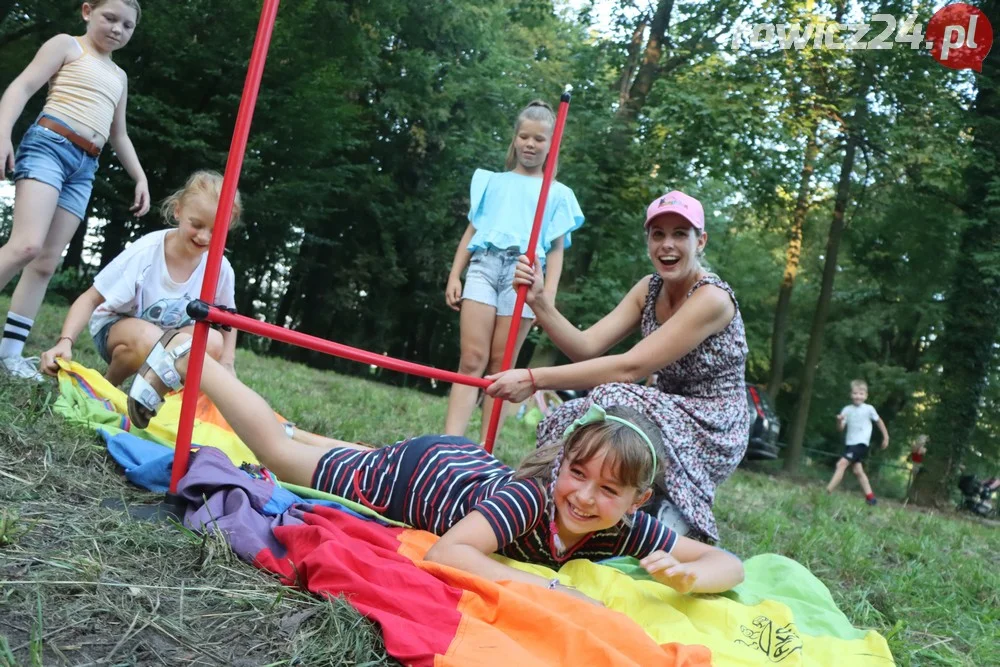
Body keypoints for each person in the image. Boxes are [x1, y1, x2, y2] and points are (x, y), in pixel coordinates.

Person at [121, 331, 745, 602]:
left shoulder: (625, 527)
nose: (583, 497)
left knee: (314, 446)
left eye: (608, 490)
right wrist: (545, 585)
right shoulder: (534, 500)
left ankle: (292, 423)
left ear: (636, 503)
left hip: (465, 465)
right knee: (281, 457)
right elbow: (449, 554)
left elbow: (729, 564)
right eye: (577, 475)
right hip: (419, 479)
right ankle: (200, 362)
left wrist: (688, 577)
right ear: (561, 467)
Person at [486, 191, 750, 544]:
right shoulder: (649, 288)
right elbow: (586, 347)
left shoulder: (712, 299)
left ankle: (671, 519)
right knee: (567, 417)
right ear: (648, 241)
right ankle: (539, 501)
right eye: (658, 234)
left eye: (679, 234)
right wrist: (538, 301)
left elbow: (631, 368)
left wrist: (534, 379)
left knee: (611, 396)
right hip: (664, 410)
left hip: (715, 424)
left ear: (700, 241)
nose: (667, 245)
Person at [0, 0, 150, 381]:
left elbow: (118, 133)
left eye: (127, 26)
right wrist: (3, 133)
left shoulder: (119, 76)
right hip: (50, 144)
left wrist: (140, 177)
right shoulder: (68, 45)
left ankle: (10, 354)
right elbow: (23, 86)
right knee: (26, 245)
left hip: (85, 166)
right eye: (110, 18)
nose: (118, 29)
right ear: (87, 12)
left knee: (46, 261)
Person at [39, 170, 239, 428]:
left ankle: (153, 401)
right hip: (119, 331)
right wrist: (65, 342)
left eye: (215, 231)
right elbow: (90, 298)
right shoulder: (146, 251)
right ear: (177, 211)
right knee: (149, 338)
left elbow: (226, 320)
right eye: (197, 224)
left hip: (171, 344)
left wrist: (227, 363)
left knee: (212, 340)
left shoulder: (220, 268)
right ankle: (107, 387)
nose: (203, 237)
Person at [443, 100, 584, 439]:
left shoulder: (558, 194)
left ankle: (482, 449)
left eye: (539, 139)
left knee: (501, 366)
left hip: (522, 275)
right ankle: (448, 443)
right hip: (483, 266)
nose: (530, 144)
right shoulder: (492, 182)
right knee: (472, 359)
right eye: (524, 136)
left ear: (552, 145)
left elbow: (556, 251)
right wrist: (454, 274)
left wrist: (545, 298)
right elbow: (473, 230)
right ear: (515, 139)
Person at [825, 380, 890, 505]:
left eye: (861, 394)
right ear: (851, 394)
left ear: (865, 396)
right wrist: (839, 421)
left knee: (841, 464)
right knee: (857, 471)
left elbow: (879, 422)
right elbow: (840, 429)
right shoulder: (846, 410)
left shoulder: (869, 409)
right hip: (850, 444)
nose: (858, 396)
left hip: (861, 444)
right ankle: (871, 498)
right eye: (855, 393)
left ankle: (827, 492)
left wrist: (886, 437)